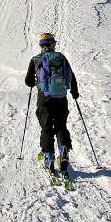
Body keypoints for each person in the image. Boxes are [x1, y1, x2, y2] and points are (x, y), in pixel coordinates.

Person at [24, 32, 79, 176]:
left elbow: (28, 81)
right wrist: (74, 93)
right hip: (61, 97)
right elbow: (71, 76)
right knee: (61, 125)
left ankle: (49, 156)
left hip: (44, 99)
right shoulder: (61, 57)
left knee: (47, 127)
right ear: (53, 44)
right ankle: (64, 149)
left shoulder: (36, 59)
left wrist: (36, 82)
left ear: (41, 46)